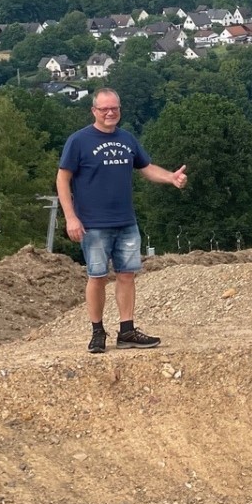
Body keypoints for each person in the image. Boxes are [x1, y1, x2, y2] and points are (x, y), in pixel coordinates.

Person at [57, 88, 188, 354]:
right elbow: (63, 178)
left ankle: (127, 331)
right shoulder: (79, 141)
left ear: (120, 110)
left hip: (126, 222)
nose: (109, 112)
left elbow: (146, 167)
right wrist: (70, 217)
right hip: (92, 224)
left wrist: (170, 178)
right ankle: (97, 333)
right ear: (94, 110)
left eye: (114, 108)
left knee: (127, 276)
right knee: (98, 277)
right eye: (104, 108)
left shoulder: (127, 139)